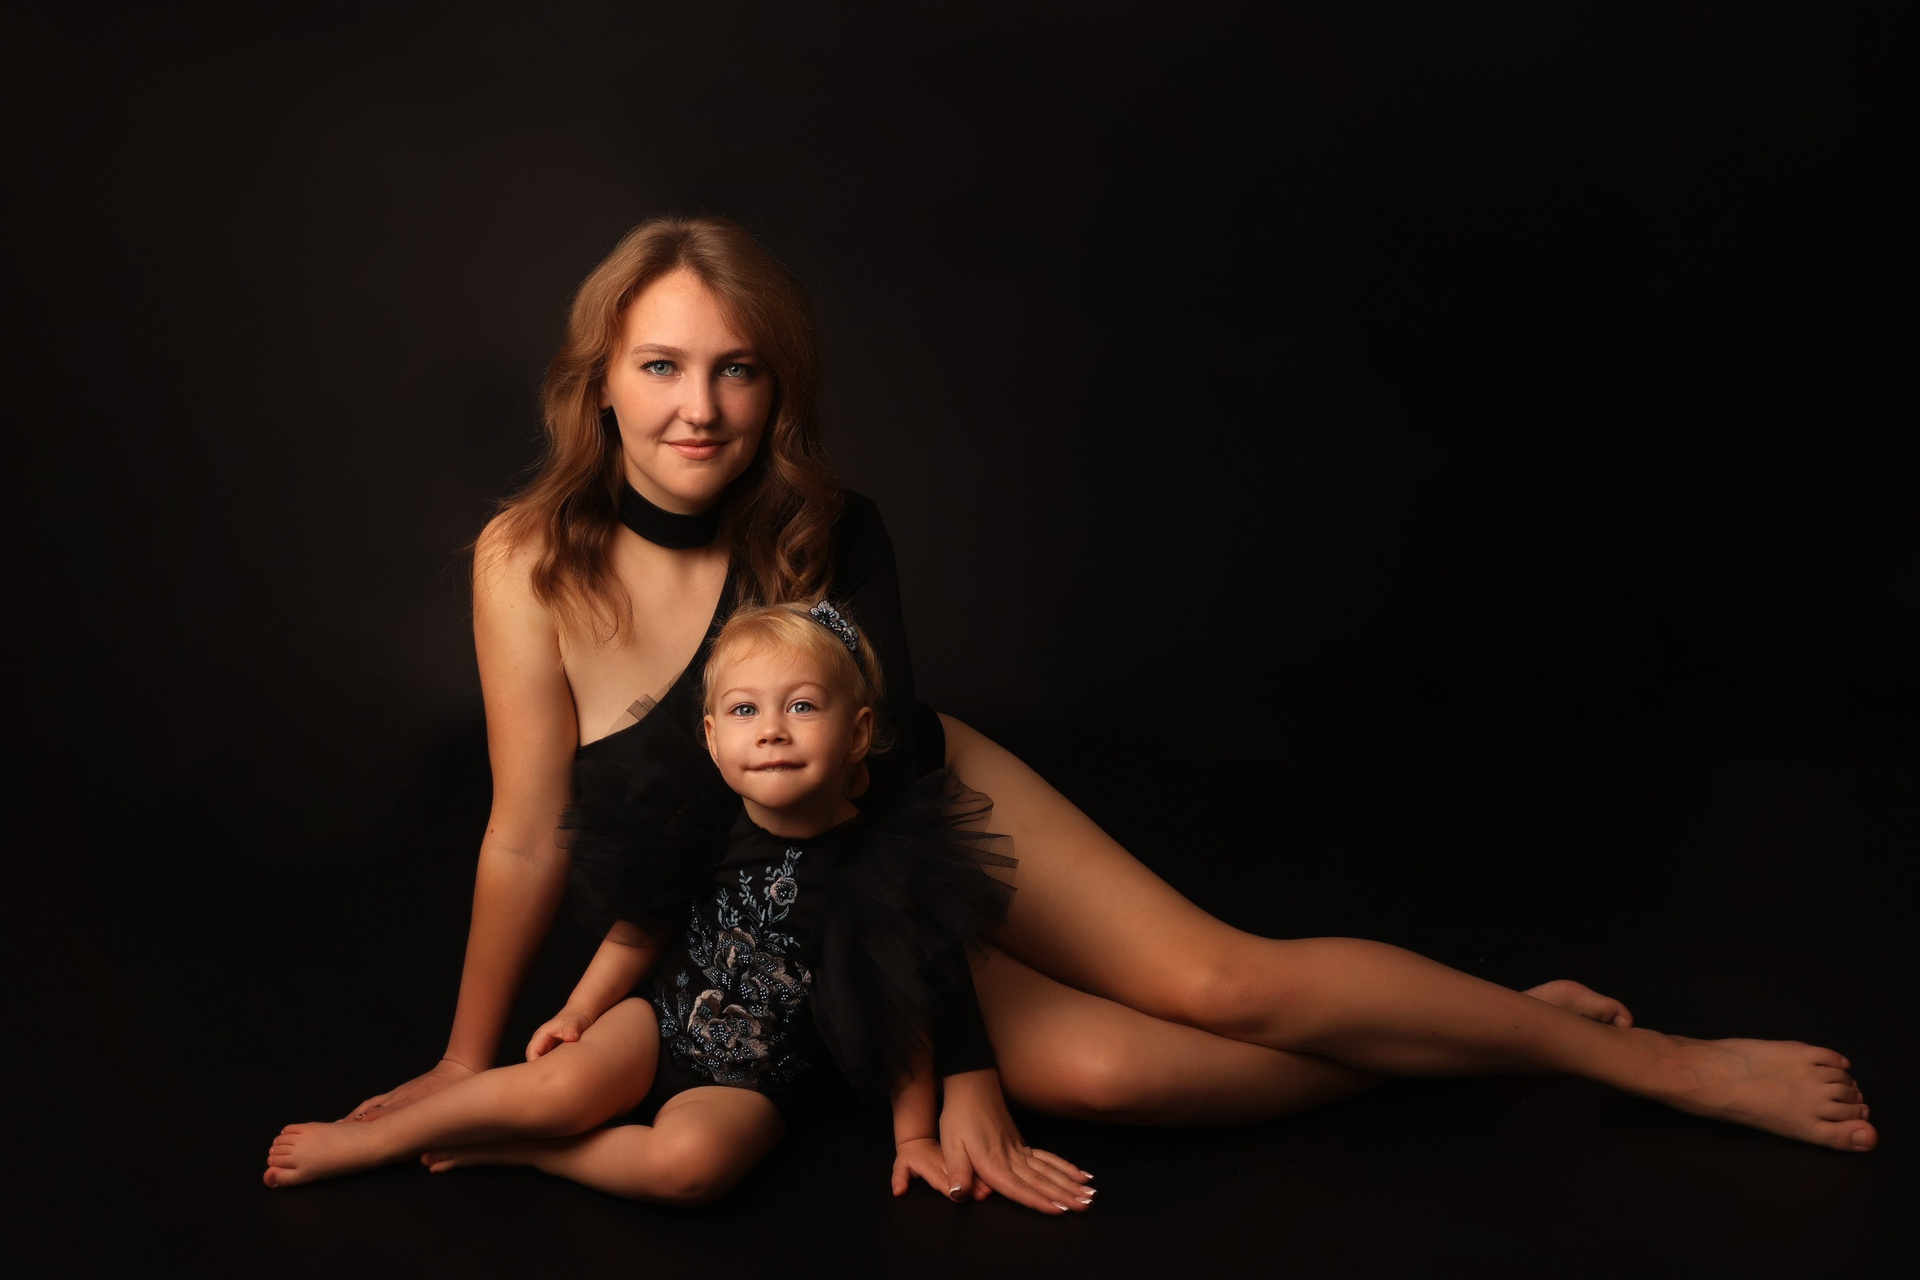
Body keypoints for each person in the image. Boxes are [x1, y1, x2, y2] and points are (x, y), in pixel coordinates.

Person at [342, 217, 1874, 1196]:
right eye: (664, 366)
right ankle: (1504, 1035)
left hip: (909, 817)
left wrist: (965, 1063)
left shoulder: (829, 528)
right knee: (1120, 1077)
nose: (699, 408)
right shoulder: (526, 560)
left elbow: (882, 802)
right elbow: (527, 836)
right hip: (758, 919)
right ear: (600, 380)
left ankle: (1663, 1064)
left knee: (1222, 986)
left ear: (777, 389)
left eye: (738, 371)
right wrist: (468, 1066)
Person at [268, 600, 1094, 1212]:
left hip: (760, 1080)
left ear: (857, 732)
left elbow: (902, 1006)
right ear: (711, 738)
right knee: (557, 1087)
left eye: (802, 706)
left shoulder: (885, 861)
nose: (771, 730)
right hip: (656, 1023)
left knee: (691, 1168)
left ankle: (530, 1155)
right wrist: (580, 1009)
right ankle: (375, 1140)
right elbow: (644, 924)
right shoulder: (708, 825)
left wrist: (913, 1134)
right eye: (745, 710)